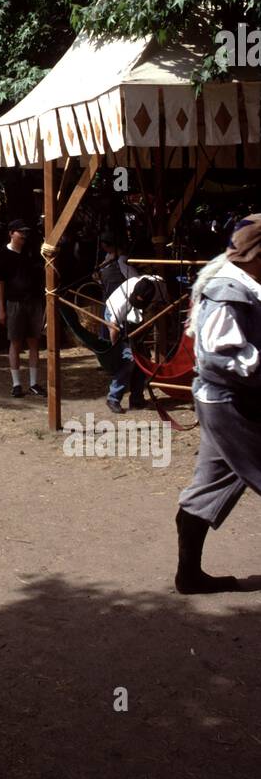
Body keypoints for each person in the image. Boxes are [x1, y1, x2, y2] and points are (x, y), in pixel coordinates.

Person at [174, 216, 261, 593]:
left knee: (208, 488)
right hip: (230, 404)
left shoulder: (241, 280)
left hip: (224, 402)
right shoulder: (228, 290)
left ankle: (189, 576)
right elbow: (215, 356)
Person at [0, 219, 46, 398]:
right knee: (15, 342)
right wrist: (1, 309)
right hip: (14, 303)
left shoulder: (31, 252)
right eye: (20, 232)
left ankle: (33, 383)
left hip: (33, 301)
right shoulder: (3, 254)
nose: (23, 235)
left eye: (25, 232)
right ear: (11, 233)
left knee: (34, 342)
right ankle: (16, 383)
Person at [103, 272, 166, 412]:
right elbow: (113, 329)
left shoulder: (160, 287)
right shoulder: (120, 303)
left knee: (142, 358)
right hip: (120, 321)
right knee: (129, 359)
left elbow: (163, 306)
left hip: (138, 321)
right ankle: (113, 398)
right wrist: (116, 350)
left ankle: (137, 399)